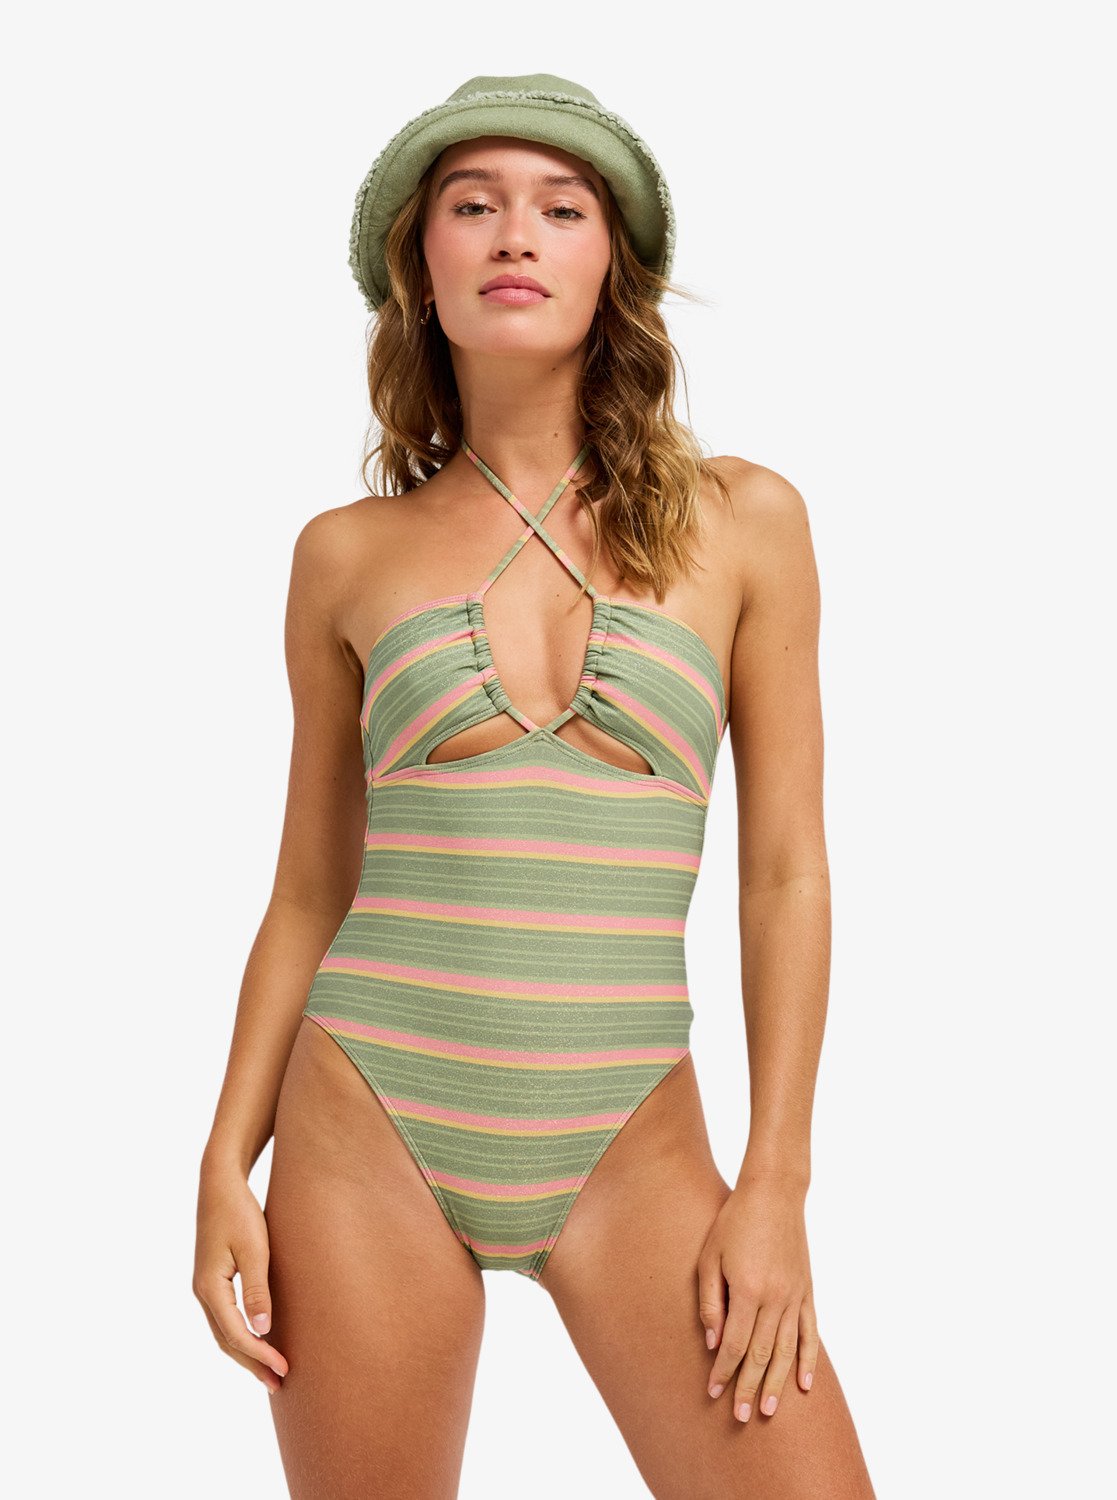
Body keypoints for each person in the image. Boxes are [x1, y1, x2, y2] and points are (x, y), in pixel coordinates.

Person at [193, 73, 877, 1498]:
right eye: (474, 206)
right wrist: (222, 1163)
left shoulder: (744, 522)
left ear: (612, 265)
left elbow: (785, 873)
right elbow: (309, 888)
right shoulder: (343, 555)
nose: (516, 234)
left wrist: (777, 1183)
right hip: (368, 1115)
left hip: (632, 1136)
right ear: (421, 268)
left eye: (561, 209)